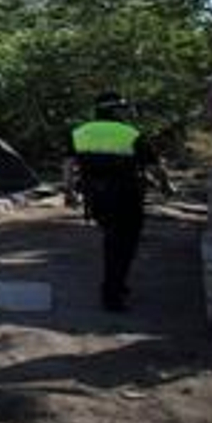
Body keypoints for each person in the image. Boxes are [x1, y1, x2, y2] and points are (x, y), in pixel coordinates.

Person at [70, 92, 174, 313]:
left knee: (112, 240)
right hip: (126, 196)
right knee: (123, 245)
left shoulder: (80, 132)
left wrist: (69, 192)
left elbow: (68, 165)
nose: (125, 112)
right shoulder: (130, 133)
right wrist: (166, 186)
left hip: (95, 197)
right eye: (122, 108)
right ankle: (112, 294)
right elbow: (155, 167)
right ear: (115, 110)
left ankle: (117, 285)